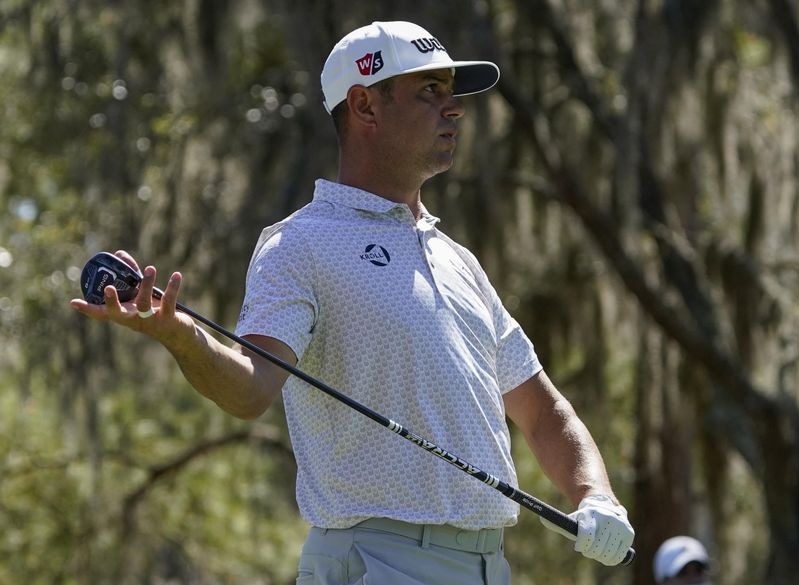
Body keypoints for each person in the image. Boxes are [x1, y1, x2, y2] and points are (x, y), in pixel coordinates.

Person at [70, 20, 634, 585]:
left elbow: (541, 408)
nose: (454, 109)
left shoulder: (456, 259)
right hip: (377, 564)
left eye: (451, 93)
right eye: (429, 92)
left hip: (488, 567)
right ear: (364, 105)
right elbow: (251, 387)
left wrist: (596, 495)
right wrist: (182, 337)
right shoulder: (302, 244)